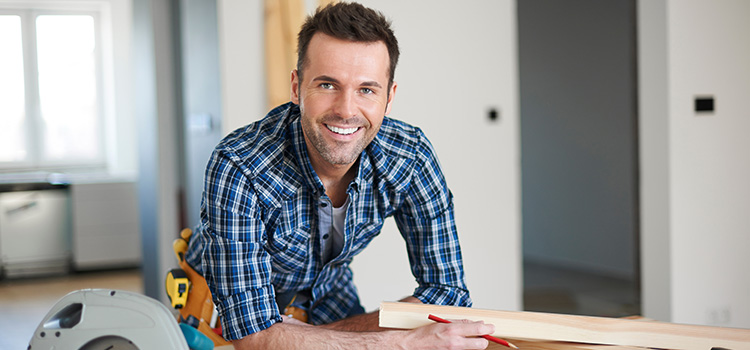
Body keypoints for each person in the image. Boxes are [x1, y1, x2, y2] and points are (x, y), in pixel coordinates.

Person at [185, 2, 495, 349]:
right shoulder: (240, 163)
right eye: (328, 85)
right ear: (296, 87)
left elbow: (448, 293)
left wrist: (311, 338)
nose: (347, 110)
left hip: (328, 297)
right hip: (215, 313)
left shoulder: (410, 156)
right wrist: (402, 342)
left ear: (389, 97)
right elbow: (252, 335)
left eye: (366, 89)